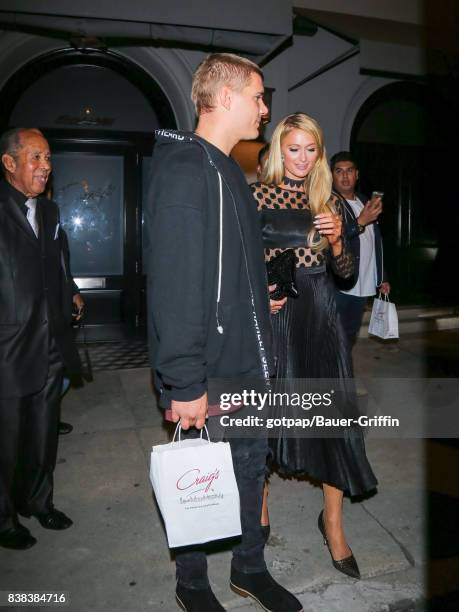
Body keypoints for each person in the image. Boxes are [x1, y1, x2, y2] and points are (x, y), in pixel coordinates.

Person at [145, 54, 302, 612]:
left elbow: (226, 267)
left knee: (248, 468)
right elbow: (175, 283)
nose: (265, 109)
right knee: (199, 475)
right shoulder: (188, 170)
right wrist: (183, 380)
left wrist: (260, 295)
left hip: (245, 356)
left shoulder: (226, 167)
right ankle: (192, 584)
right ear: (228, 97)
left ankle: (249, 568)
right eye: (259, 97)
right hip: (208, 365)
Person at [251, 113, 377, 580]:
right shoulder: (256, 196)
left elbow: (344, 274)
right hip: (277, 318)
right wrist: (262, 292)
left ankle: (334, 524)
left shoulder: (330, 201)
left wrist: (339, 236)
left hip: (321, 317)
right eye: (293, 149)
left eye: (310, 150)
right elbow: (243, 264)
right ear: (279, 150)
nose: (302, 159)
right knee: (268, 415)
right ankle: (259, 508)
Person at [0, 128, 82, 550]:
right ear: (9, 163)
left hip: (51, 342)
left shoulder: (49, 213)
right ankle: (4, 519)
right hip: (9, 350)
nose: (45, 167)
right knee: (7, 440)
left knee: (43, 432)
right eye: (36, 157)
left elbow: (57, 263)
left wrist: (70, 291)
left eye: (48, 158)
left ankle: (39, 501)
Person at [330, 151, 390, 346]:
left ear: (357, 174)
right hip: (341, 284)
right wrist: (360, 222)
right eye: (339, 171)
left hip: (363, 283)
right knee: (334, 338)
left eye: (350, 171)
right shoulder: (328, 202)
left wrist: (382, 277)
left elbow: (375, 241)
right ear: (332, 175)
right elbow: (330, 240)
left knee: (349, 336)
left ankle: (343, 373)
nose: (345, 176)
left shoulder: (365, 201)